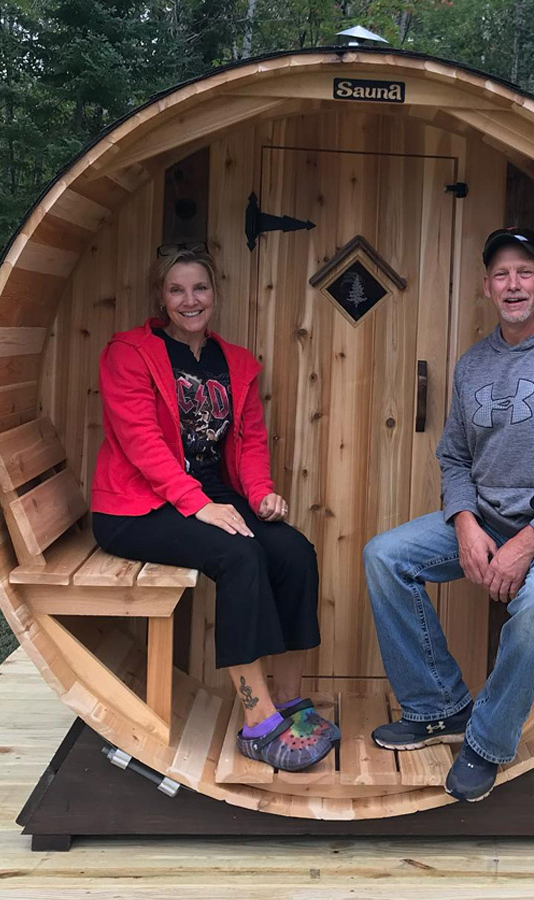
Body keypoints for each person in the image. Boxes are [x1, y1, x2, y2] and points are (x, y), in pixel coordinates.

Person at [363, 227, 534, 801]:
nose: (514, 284)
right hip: (489, 517)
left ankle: (486, 742)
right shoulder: (474, 364)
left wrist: (528, 541)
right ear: (487, 286)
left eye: (525, 271)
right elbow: (455, 456)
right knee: (384, 557)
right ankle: (439, 707)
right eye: (503, 274)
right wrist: (463, 522)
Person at [90, 245, 338, 772]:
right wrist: (196, 504)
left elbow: (247, 444)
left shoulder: (237, 364)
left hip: (208, 499)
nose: (189, 300)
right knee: (239, 556)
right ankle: (259, 722)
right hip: (137, 506)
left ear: (215, 294)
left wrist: (261, 494)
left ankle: (290, 701)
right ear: (161, 296)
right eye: (176, 289)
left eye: (199, 288)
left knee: (295, 551)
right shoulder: (128, 353)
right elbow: (141, 443)